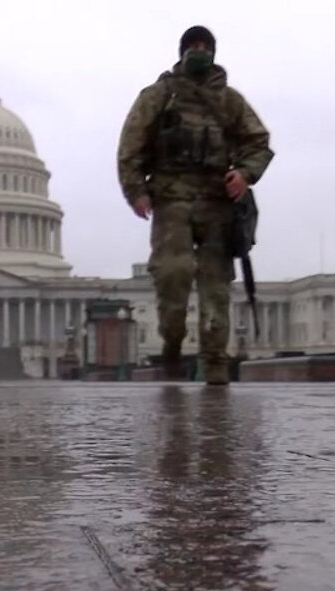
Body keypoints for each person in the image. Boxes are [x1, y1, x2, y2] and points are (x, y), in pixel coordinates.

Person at [115, 25, 273, 385]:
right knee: (173, 274)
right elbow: (131, 146)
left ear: (214, 52)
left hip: (218, 203)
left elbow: (258, 142)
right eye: (193, 46)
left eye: (205, 46)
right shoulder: (159, 96)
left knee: (216, 286)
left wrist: (245, 174)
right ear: (181, 52)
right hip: (171, 200)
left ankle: (215, 363)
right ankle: (172, 339)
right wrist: (135, 191)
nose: (199, 51)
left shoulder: (230, 101)